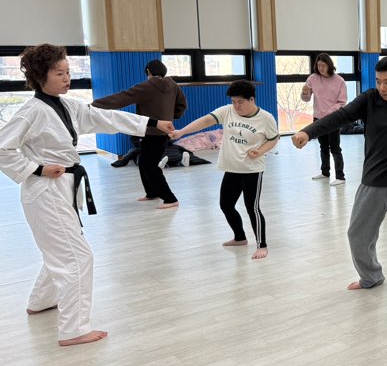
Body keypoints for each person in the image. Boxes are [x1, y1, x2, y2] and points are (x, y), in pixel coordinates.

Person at [0, 44, 174, 346]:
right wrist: (37, 168)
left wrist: (152, 123)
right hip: (46, 189)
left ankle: (41, 301)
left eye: (68, 72)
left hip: (63, 187)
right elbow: (3, 148)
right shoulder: (31, 112)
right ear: (40, 76)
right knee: (76, 255)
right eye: (59, 73)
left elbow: (105, 118)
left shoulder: (66, 106)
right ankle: (73, 328)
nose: (67, 78)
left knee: (61, 247)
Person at [292, 56, 387, 324]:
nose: (382, 87)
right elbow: (338, 117)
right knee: (358, 236)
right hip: (372, 181)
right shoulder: (369, 99)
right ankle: (371, 276)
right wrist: (308, 132)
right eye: (378, 81)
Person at [172, 80, 279, 260]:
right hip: (232, 169)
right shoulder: (227, 111)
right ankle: (240, 237)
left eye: (240, 102)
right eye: (234, 102)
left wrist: (260, 151)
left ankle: (262, 245)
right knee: (226, 205)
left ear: (252, 99)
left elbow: (273, 138)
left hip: (252, 170)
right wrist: (182, 132)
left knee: (252, 208)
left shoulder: (266, 118)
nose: (236, 106)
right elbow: (205, 121)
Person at [92, 59, 187, 209]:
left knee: (150, 166)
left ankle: (170, 198)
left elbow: (121, 97)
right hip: (164, 132)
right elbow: (182, 105)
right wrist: (171, 116)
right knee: (144, 162)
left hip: (150, 132)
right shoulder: (173, 86)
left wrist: (94, 105)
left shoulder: (146, 86)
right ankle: (152, 192)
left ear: (148, 72)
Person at [301, 53, 347, 185]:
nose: (320, 68)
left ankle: (340, 177)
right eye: (318, 65)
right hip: (318, 117)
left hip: (333, 118)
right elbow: (306, 99)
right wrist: (304, 92)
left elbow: (342, 102)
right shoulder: (313, 78)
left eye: (323, 65)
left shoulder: (339, 81)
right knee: (323, 146)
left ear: (329, 65)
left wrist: (329, 113)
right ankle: (325, 172)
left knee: (335, 148)